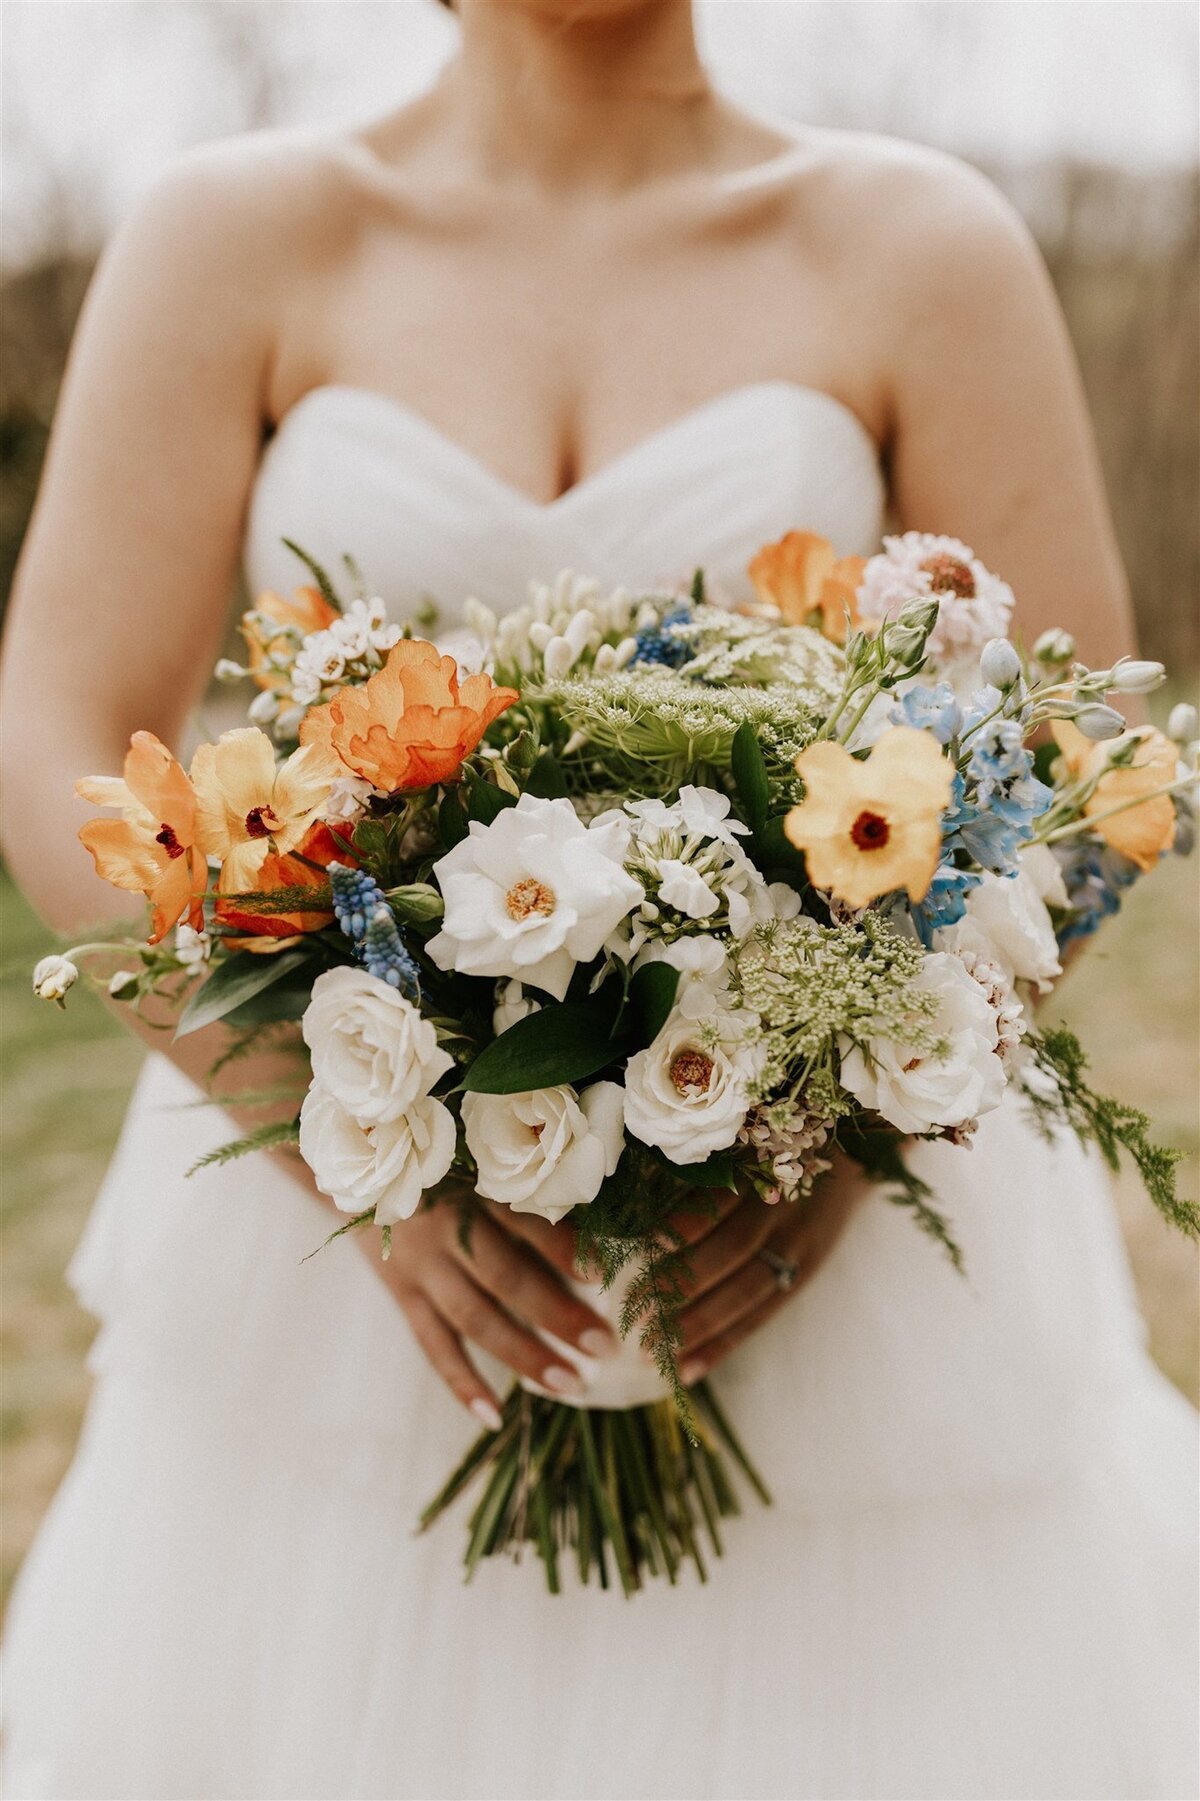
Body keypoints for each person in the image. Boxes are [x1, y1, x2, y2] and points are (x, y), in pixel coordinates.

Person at [1, 2, 1195, 1796]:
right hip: (354, 1252)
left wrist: (837, 1139)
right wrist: (336, 1139)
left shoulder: (921, 246)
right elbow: (61, 735)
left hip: (823, 1267)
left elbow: (1096, 768)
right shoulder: (232, 237)